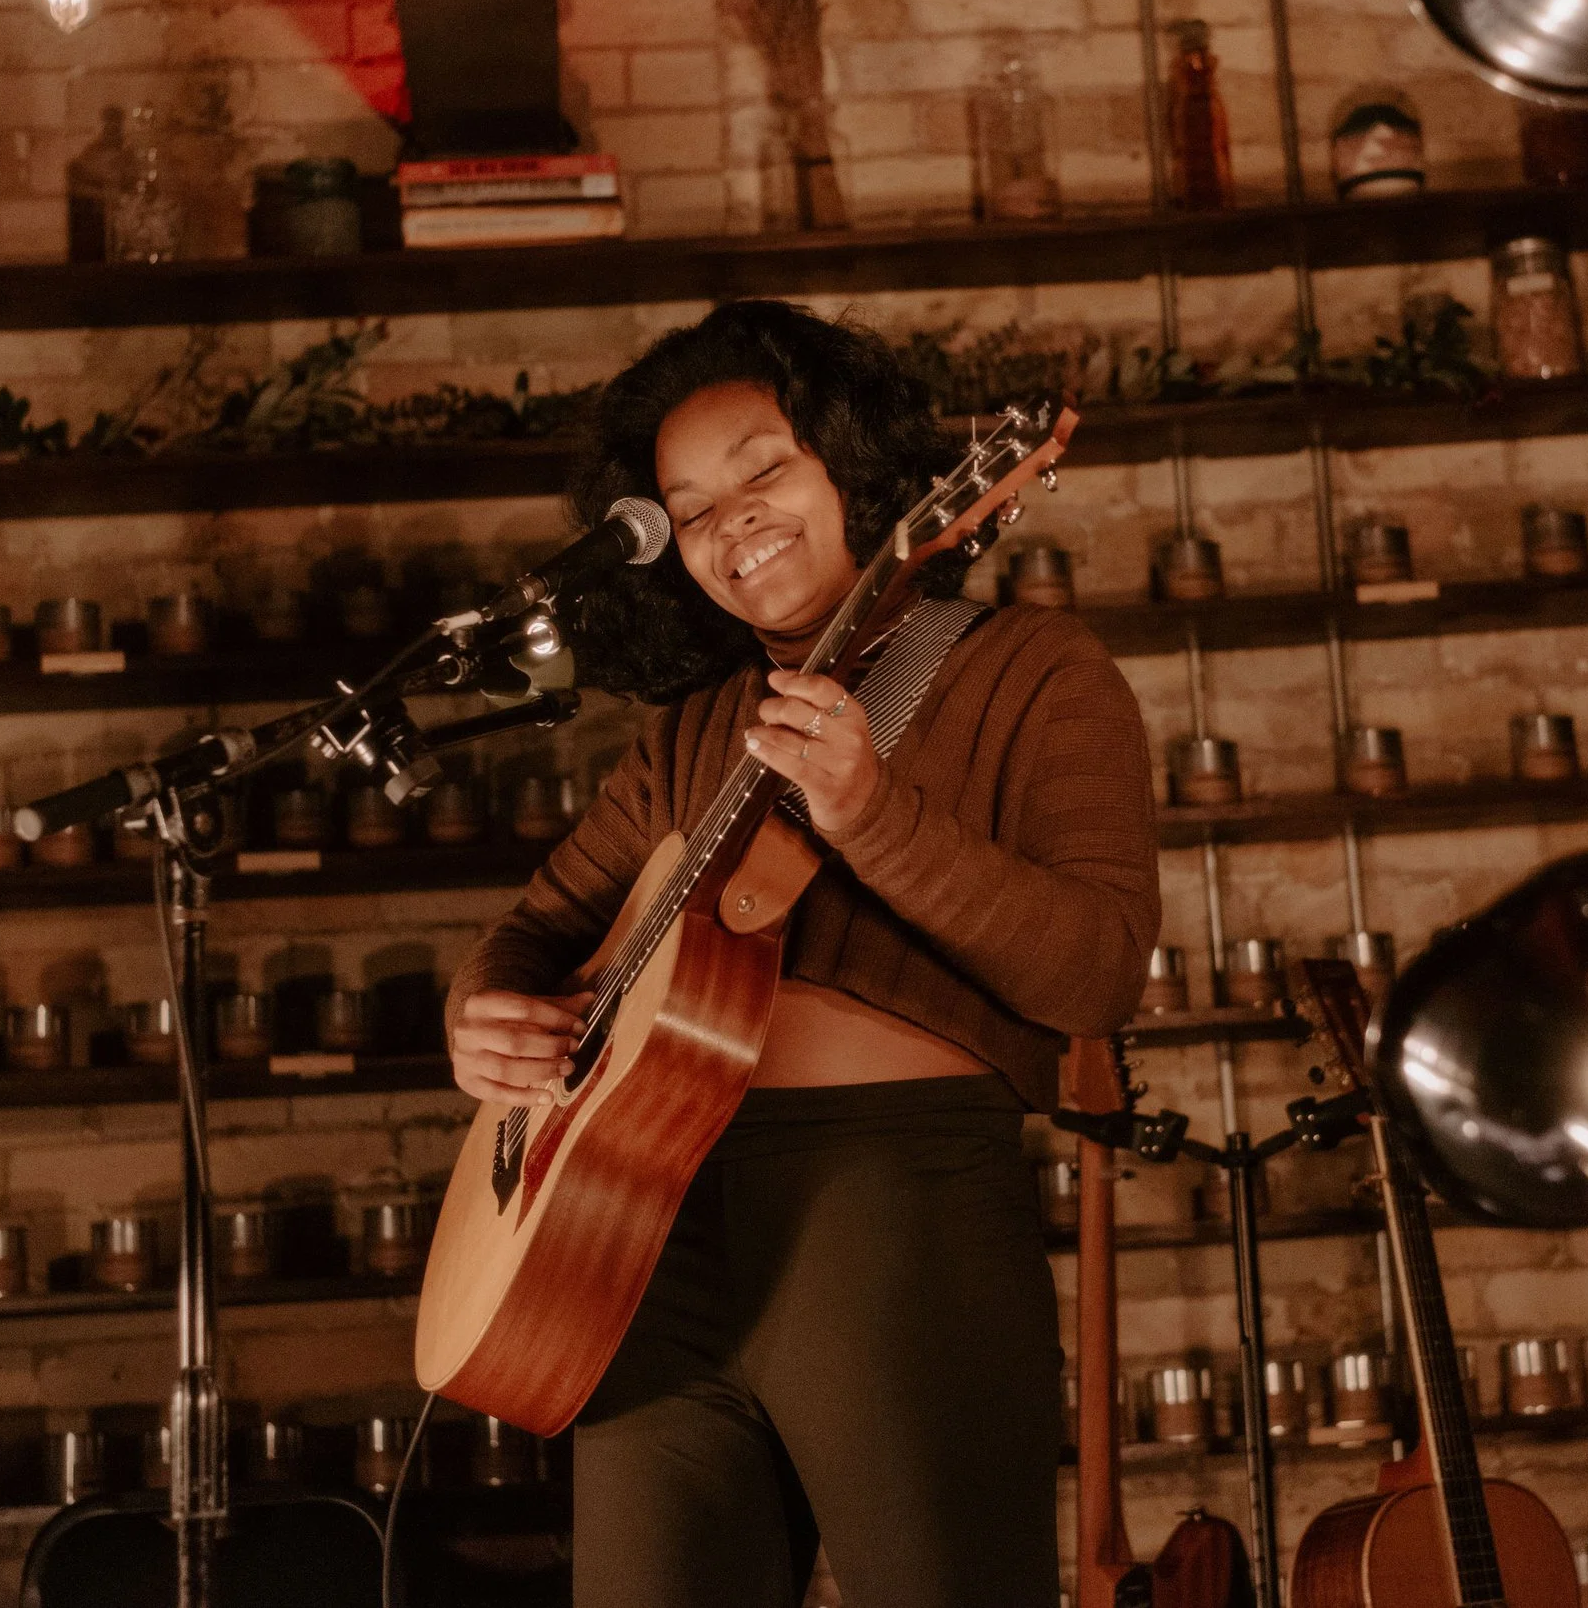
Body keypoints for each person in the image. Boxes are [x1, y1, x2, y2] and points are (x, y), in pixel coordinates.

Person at [443, 300, 1161, 1608]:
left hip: (889, 1201)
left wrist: (873, 818)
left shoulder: (1037, 674)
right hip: (636, 1232)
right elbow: (536, 929)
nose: (733, 522)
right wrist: (480, 1012)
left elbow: (1097, 975)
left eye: (764, 468)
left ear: (858, 470)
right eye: (689, 507)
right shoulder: (689, 734)